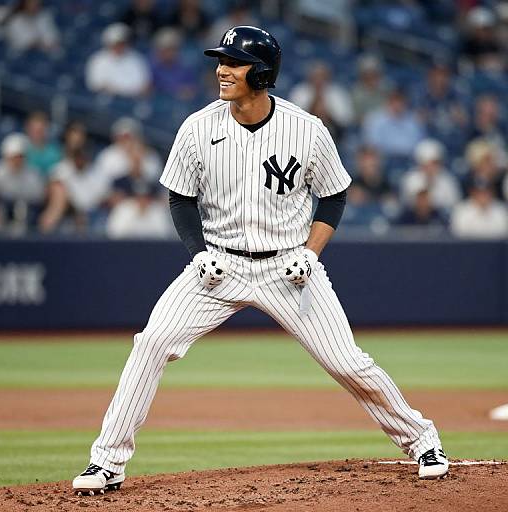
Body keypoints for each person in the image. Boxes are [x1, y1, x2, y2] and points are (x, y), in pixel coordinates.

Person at [72, 25, 449, 495]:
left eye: (233, 62)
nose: (222, 70)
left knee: (347, 362)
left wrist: (311, 254)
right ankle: (106, 461)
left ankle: (422, 440)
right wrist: (198, 254)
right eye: (221, 61)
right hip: (219, 267)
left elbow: (334, 196)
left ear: (263, 72)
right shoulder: (198, 127)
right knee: (150, 343)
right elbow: (180, 198)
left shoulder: (306, 130)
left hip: (287, 268)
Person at [289, 61, 354, 142]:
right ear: (310, 77)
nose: (319, 80)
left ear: (328, 77)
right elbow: (293, 118)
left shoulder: (337, 92)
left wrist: (327, 113)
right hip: (304, 132)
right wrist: (314, 103)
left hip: (334, 133)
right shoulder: (300, 92)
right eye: (316, 76)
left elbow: (345, 120)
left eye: (322, 76)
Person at [0, 133, 45, 234]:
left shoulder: (33, 175)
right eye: (14, 157)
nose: (17, 160)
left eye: (20, 156)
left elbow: (38, 199)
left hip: (27, 212)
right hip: (2, 209)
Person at [85, 23, 151, 97]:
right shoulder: (97, 59)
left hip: (131, 101)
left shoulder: (138, 59)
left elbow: (145, 87)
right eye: (117, 43)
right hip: (104, 101)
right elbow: (94, 86)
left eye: (123, 42)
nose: (120, 46)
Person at [24, 111, 62, 179]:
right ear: (28, 128)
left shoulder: (55, 153)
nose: (37, 134)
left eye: (40, 130)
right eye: (34, 130)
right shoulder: (20, 147)